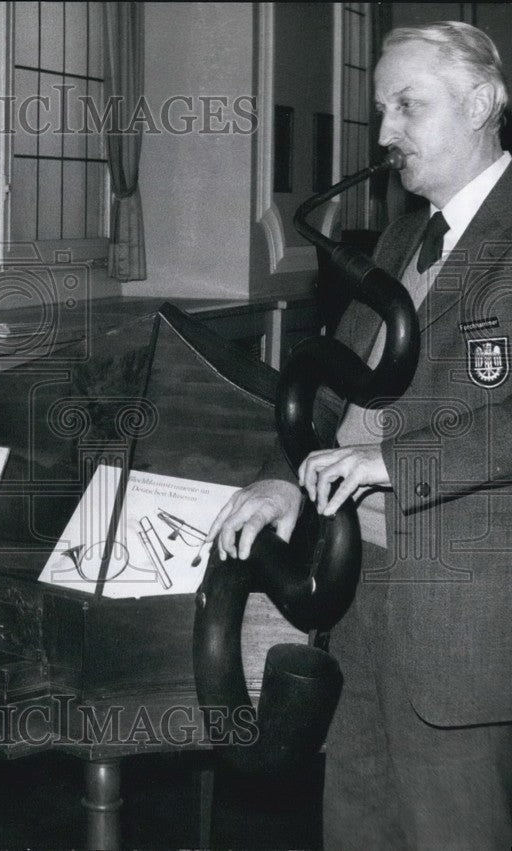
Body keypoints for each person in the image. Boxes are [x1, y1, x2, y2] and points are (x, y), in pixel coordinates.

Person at [207, 21, 512, 849]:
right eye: (381, 110)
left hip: (458, 603)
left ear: (481, 103)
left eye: (407, 106)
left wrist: (389, 461)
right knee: (356, 816)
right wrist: (282, 476)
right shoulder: (405, 235)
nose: (383, 134)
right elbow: (332, 380)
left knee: (450, 825)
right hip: (356, 576)